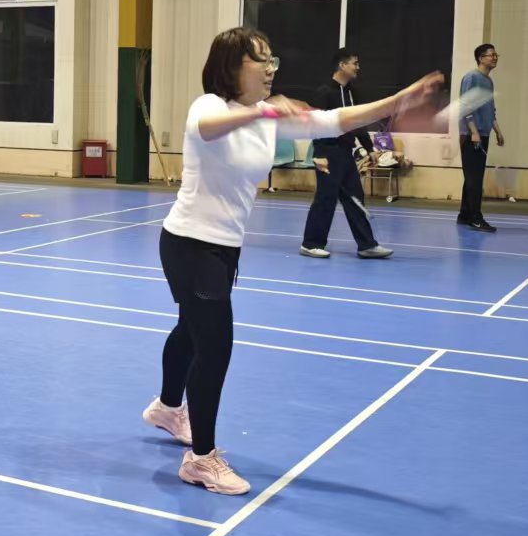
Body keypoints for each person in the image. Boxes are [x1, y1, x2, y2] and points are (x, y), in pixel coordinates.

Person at [141, 27, 442, 495]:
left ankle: (166, 408)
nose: (269, 69)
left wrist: (398, 100)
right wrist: (264, 110)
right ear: (232, 65)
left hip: (222, 247)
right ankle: (200, 460)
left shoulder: (267, 118)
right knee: (214, 346)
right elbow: (207, 129)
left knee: (190, 328)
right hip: (190, 244)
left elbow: (335, 120)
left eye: (272, 60)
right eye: (260, 59)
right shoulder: (210, 106)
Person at [300, 49, 393, 260]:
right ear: (342, 65)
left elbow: (357, 123)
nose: (358, 67)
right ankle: (311, 244)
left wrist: (370, 149)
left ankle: (367, 245)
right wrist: (319, 153)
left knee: (355, 198)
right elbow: (316, 125)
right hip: (328, 152)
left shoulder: (351, 93)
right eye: (354, 63)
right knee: (326, 198)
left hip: (345, 153)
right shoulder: (324, 92)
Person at [457, 43, 504, 233]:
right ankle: (475, 219)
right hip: (471, 135)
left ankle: (464, 214)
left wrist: (497, 130)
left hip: (483, 134)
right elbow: (465, 105)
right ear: (480, 58)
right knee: (475, 178)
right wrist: (473, 131)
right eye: (491, 55)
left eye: (496, 54)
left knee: (473, 176)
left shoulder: (488, 81)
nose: (495, 57)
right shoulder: (472, 78)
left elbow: (490, 109)